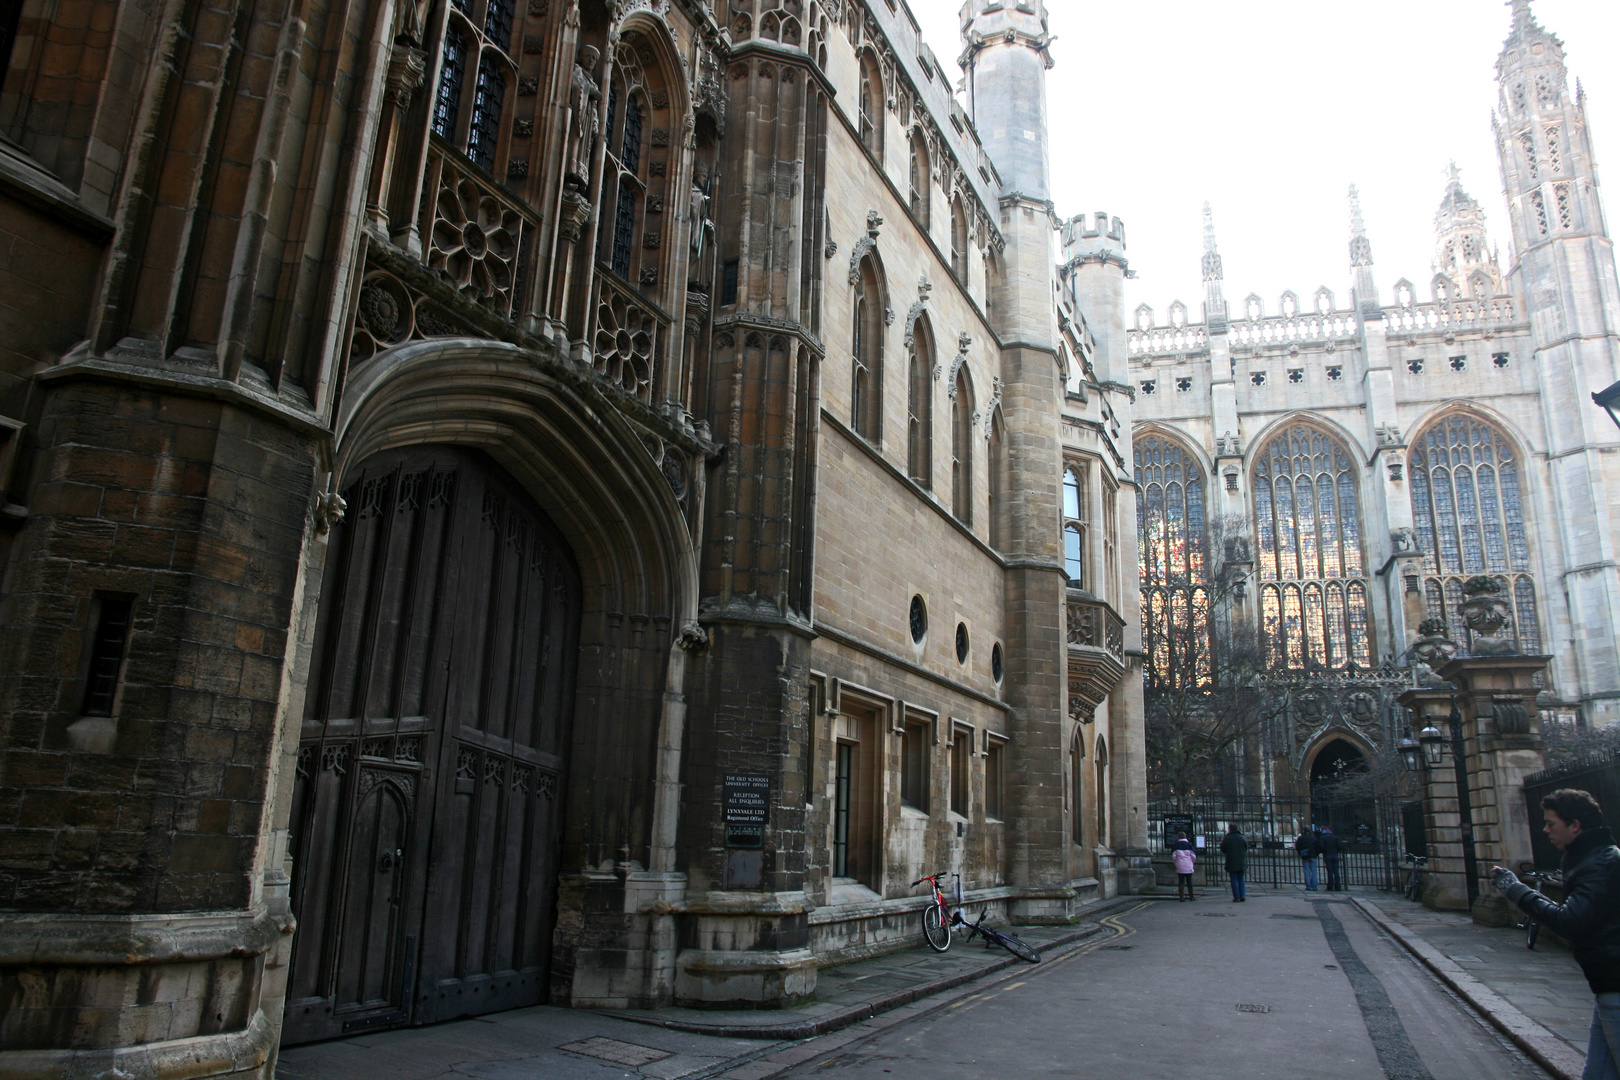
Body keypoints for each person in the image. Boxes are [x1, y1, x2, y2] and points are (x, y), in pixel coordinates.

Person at [1493, 789, 1620, 1080]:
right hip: (1607, 987)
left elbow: (1568, 922)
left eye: (1551, 823)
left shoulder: (1598, 864)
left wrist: (1516, 890)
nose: (1545, 829)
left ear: (1575, 825)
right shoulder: (1592, 858)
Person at [1220, 823, 1248, 902]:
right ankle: (1242, 895)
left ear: (1230, 829)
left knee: (1234, 879)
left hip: (1231, 861)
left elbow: (1223, 849)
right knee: (1241, 879)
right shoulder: (1242, 837)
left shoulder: (1227, 838)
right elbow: (1246, 847)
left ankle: (1237, 897)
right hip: (1241, 861)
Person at [1171, 834, 1197, 901]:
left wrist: (1176, 862)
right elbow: (1193, 856)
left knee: (1181, 881)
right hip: (1188, 864)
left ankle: (1181, 897)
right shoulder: (1189, 845)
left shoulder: (1176, 845)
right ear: (1186, 837)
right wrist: (1192, 862)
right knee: (1189, 880)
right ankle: (1191, 896)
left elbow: (1173, 856)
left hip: (1180, 864)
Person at [1294, 826, 1321, 891]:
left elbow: (1297, 846)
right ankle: (1314, 886)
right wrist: (1316, 854)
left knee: (1306, 871)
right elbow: (1318, 846)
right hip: (1313, 855)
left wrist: (1300, 853)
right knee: (1314, 871)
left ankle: (1308, 886)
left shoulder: (1301, 838)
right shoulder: (1313, 838)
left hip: (1305, 855)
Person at [1320, 825, 1344, 891]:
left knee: (1330, 872)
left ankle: (1330, 886)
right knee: (1336, 872)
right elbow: (1339, 846)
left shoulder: (1322, 838)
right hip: (1335, 855)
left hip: (1327, 855)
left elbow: (1321, 847)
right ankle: (1338, 886)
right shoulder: (1335, 837)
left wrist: (1325, 851)